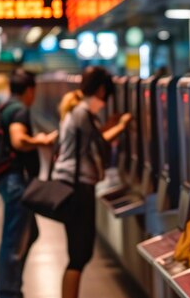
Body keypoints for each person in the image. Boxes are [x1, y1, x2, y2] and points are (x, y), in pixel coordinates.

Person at [52, 67, 131, 298]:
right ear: (100, 89)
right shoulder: (83, 112)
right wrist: (122, 125)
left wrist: (110, 125)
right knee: (79, 254)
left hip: (71, 185)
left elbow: (90, 138)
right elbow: (100, 143)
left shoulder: (76, 111)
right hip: (78, 188)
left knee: (78, 253)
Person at [0, 69, 57, 298]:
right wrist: (39, 140)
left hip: (9, 180)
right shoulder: (19, 110)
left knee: (29, 233)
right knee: (14, 239)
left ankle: (11, 283)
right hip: (16, 181)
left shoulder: (5, 106)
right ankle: (8, 290)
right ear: (30, 90)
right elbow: (18, 140)